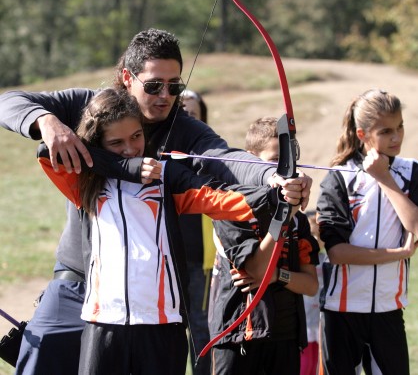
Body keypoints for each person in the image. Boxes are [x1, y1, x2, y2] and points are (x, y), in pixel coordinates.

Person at [0, 28, 312, 375]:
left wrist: (272, 177)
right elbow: (7, 102)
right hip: (76, 284)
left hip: (150, 297)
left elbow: (225, 159)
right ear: (127, 78)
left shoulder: (185, 129)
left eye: (174, 86)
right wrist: (46, 121)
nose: (165, 96)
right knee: (38, 363)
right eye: (153, 85)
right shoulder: (90, 106)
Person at [37, 88, 300, 375]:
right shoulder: (86, 184)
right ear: (98, 142)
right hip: (103, 324)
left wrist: (276, 196)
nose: (130, 147)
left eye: (136, 136)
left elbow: (221, 198)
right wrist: (127, 167)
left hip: (162, 327)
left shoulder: (165, 177)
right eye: (116, 142)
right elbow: (47, 154)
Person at [316, 89, 418, 375]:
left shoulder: (412, 172)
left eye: (400, 127)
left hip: (388, 309)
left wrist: (384, 178)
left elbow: (416, 225)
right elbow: (337, 253)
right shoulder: (338, 177)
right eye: (386, 131)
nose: (396, 137)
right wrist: (397, 254)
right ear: (362, 134)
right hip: (341, 311)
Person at [208, 116, 320, 375]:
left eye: (291, 162)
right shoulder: (231, 207)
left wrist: (277, 276)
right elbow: (258, 269)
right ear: (250, 160)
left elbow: (311, 285)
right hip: (237, 334)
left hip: (286, 335)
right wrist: (285, 217)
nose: (286, 171)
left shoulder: (297, 218)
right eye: (275, 161)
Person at [180, 89, 213, 375]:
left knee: (201, 330)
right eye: (182, 111)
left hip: (201, 261)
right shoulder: (158, 149)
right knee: (169, 331)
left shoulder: (210, 155)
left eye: (192, 113)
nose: (186, 116)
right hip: (166, 259)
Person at [300, 211, 325, 375]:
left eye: (318, 236)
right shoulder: (301, 262)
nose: (315, 242)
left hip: (321, 321)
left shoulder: (327, 261)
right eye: (312, 236)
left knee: (320, 364)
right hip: (306, 321)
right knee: (305, 365)